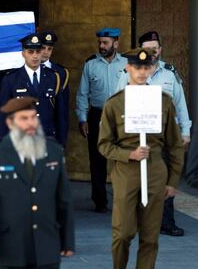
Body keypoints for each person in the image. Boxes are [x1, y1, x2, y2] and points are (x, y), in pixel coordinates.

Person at [98, 48, 184, 269]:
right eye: (137, 67)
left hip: (155, 170)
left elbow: (174, 144)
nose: (142, 72)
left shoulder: (163, 101)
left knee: (150, 236)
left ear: (154, 68)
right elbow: (104, 145)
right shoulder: (114, 104)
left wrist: (172, 181)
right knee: (123, 233)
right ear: (127, 67)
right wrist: (129, 154)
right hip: (126, 172)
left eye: (147, 67)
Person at [0, 96, 75, 269]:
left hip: (46, 244)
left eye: (34, 117)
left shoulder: (53, 151)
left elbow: (63, 199)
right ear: (10, 123)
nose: (31, 123)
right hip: (9, 247)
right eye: (24, 118)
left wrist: (67, 241)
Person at [115, 31, 191, 236]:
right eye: (148, 49)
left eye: (155, 48)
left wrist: (185, 130)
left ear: (160, 50)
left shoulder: (169, 73)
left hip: (166, 135)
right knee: (136, 179)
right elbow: (117, 103)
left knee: (165, 178)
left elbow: (180, 103)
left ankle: (166, 222)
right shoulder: (126, 73)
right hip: (136, 134)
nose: (152, 52)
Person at [75, 27, 128, 213]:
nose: (101, 46)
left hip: (122, 116)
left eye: (105, 42)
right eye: (100, 42)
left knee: (123, 159)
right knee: (97, 159)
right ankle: (100, 201)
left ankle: (124, 200)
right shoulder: (90, 64)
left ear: (116, 43)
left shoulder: (128, 63)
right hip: (97, 114)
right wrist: (82, 119)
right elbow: (82, 94)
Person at [0, 33, 67, 147]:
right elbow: (4, 117)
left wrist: (61, 143)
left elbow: (60, 114)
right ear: (23, 54)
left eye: (38, 51)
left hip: (47, 140)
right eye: (30, 52)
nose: (35, 56)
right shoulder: (11, 79)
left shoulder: (53, 77)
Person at [39, 31, 70, 145]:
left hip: (50, 134)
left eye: (49, 48)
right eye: (43, 48)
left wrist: (62, 141)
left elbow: (62, 111)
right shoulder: (25, 72)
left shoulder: (60, 73)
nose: (46, 52)